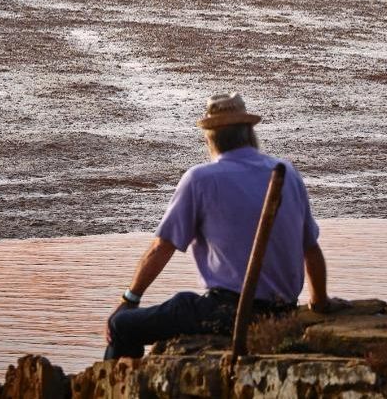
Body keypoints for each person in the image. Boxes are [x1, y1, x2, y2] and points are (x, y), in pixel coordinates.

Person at [105, 94, 347, 359]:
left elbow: (161, 247)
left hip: (229, 312)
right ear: (250, 133)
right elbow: (310, 248)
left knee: (121, 325)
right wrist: (319, 302)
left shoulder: (200, 179)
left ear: (210, 138)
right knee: (182, 304)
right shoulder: (287, 172)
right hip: (283, 311)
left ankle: (117, 379)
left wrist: (130, 299)